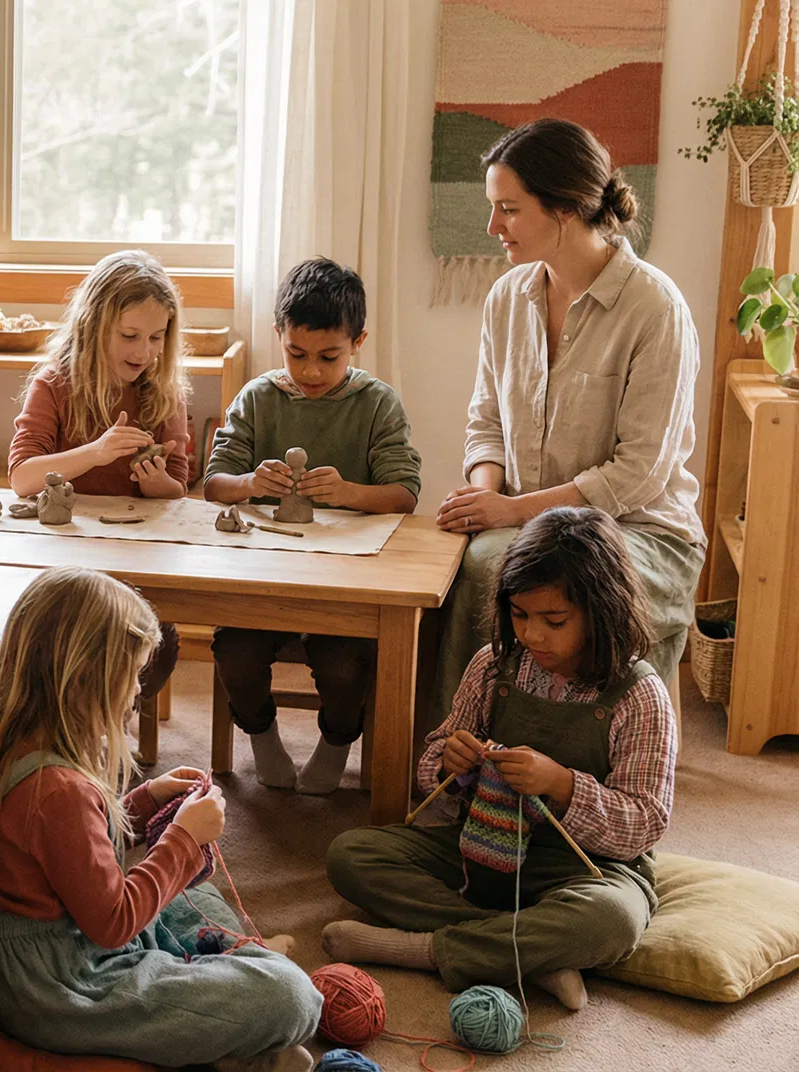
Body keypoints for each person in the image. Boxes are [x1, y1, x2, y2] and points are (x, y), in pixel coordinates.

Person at [0, 566, 322, 1072]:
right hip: (63, 988)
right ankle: (227, 1020)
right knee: (293, 998)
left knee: (193, 893)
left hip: (41, 959)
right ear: (87, 680)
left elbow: (68, 854)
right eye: (132, 675)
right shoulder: (58, 791)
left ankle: (220, 1001)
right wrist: (182, 839)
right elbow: (115, 923)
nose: (135, 691)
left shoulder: (19, 748)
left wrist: (146, 800)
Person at [325, 506, 672, 1013]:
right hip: (481, 851)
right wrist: (450, 762)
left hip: (585, 870)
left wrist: (560, 783)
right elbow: (432, 766)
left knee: (613, 920)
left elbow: (644, 824)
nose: (532, 635)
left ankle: (428, 949)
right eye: (519, 614)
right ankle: (533, 955)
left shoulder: (639, 695)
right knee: (350, 855)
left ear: (602, 610)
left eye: (554, 620)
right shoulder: (492, 666)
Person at [432, 118, 703, 722]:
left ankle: (590, 763)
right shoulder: (507, 298)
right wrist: (483, 502)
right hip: (528, 521)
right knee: (453, 566)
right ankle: (453, 752)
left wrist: (509, 513)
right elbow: (485, 423)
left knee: (500, 570)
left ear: (566, 208)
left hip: (640, 531)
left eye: (509, 209)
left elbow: (638, 473)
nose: (492, 227)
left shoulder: (655, 308)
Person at [203, 257, 421, 794]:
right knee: (235, 652)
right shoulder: (259, 397)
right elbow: (213, 484)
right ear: (278, 335)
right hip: (265, 575)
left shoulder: (377, 403)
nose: (312, 372)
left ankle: (336, 741)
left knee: (346, 664)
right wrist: (250, 482)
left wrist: (348, 494)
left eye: (329, 357)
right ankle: (261, 734)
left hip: (346, 580)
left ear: (358, 343)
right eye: (296, 354)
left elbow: (404, 494)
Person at [7, 250, 194, 720]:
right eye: (130, 336)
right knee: (69, 646)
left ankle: (106, 731)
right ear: (93, 326)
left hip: (133, 563)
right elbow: (22, 477)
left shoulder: (163, 392)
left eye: (157, 337)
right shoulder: (55, 383)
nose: (144, 351)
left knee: (157, 645)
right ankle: (78, 734)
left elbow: (179, 490)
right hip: (65, 565)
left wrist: (156, 484)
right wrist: (95, 452)